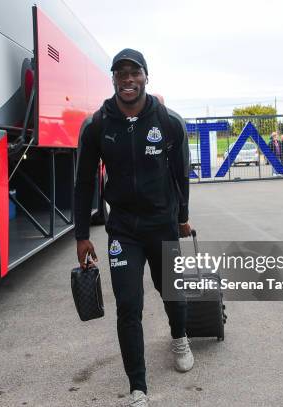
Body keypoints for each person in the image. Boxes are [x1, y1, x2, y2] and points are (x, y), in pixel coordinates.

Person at [74, 48, 192, 407]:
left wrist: (182, 216)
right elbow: (83, 183)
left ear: (145, 76)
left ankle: (180, 337)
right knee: (128, 304)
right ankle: (138, 387)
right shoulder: (98, 124)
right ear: (113, 79)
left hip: (162, 223)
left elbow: (180, 174)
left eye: (134, 72)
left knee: (170, 289)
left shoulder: (168, 121)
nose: (128, 79)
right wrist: (81, 235)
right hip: (123, 229)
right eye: (120, 73)